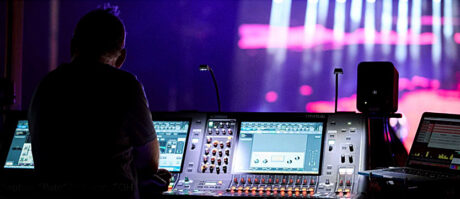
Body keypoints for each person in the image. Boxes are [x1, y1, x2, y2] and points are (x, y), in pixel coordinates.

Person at [29, 5, 170, 199]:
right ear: (121, 57)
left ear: (72, 46)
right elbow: (150, 162)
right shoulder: (125, 86)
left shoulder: (45, 85)